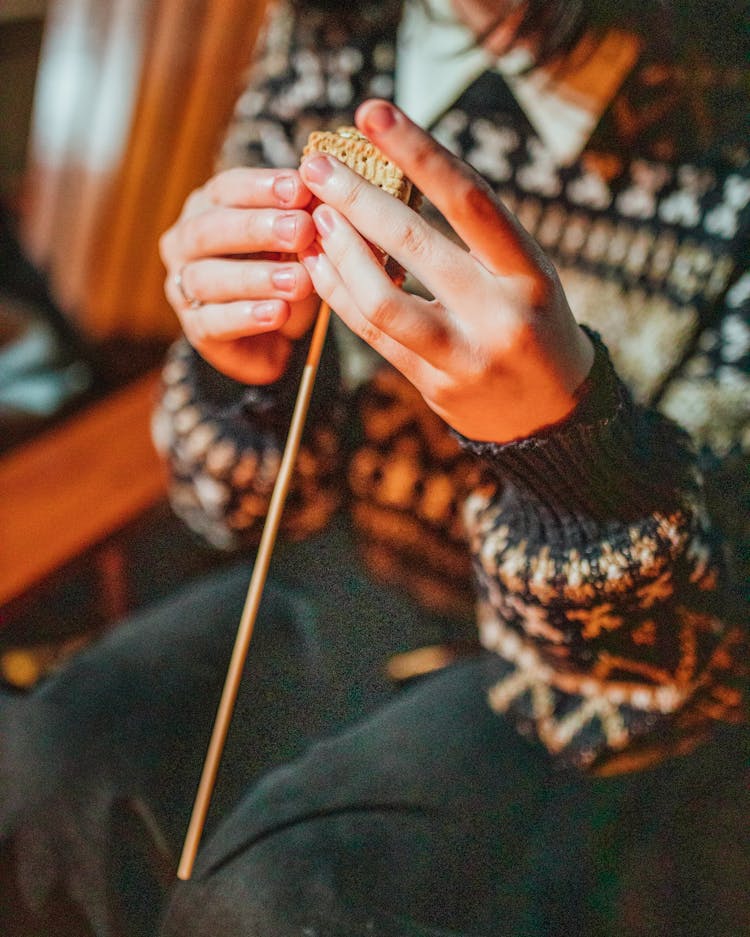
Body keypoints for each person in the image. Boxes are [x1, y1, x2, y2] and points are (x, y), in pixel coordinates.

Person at [3, 0, 747, 935]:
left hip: (616, 697)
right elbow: (235, 513)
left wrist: (571, 467)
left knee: (285, 896)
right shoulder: (332, 30)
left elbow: (700, 665)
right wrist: (246, 381)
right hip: (353, 571)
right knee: (48, 768)